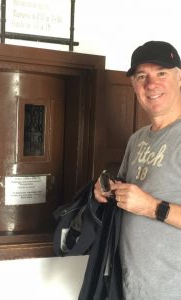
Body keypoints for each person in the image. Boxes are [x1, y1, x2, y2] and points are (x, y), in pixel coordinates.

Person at [94, 40, 181, 300]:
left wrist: (153, 207)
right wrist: (105, 190)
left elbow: (144, 203)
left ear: (179, 78)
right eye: (142, 76)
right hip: (132, 286)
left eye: (162, 73)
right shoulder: (138, 139)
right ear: (134, 85)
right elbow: (126, 192)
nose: (151, 84)